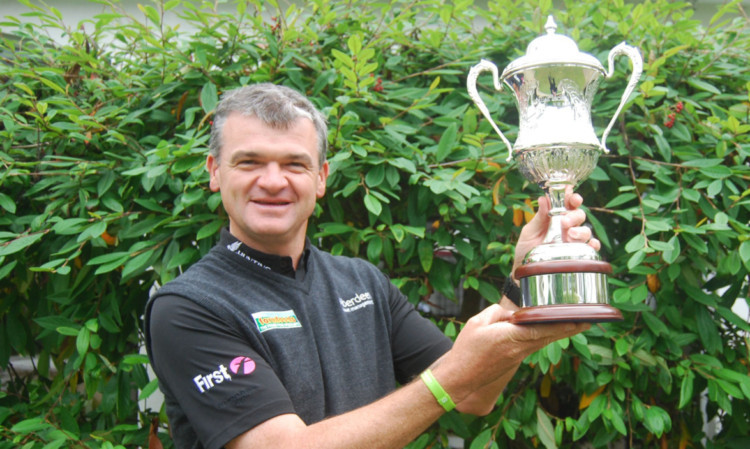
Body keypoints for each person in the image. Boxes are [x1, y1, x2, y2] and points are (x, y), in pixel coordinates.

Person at [144, 83, 598, 449]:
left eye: (294, 164)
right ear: (215, 171)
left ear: (320, 179)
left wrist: (522, 281)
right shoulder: (187, 308)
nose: (273, 181)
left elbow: (476, 394)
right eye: (249, 162)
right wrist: (451, 377)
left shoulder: (361, 281)